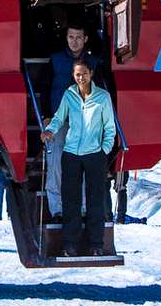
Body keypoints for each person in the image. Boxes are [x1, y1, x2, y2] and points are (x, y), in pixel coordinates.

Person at [43, 59, 117, 257]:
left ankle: (96, 244)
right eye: (77, 74)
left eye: (84, 74)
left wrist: (104, 150)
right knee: (71, 202)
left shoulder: (103, 97)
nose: (81, 78)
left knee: (94, 202)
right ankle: (69, 245)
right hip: (71, 154)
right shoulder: (69, 95)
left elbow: (110, 127)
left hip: (95, 155)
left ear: (91, 73)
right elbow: (59, 118)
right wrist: (50, 131)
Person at [44, 21, 110, 218]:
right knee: (55, 164)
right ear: (66, 38)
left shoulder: (94, 63)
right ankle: (57, 208)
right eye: (71, 37)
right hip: (59, 120)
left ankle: (81, 208)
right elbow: (46, 88)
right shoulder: (55, 60)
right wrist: (46, 115)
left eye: (78, 37)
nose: (74, 41)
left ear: (85, 39)